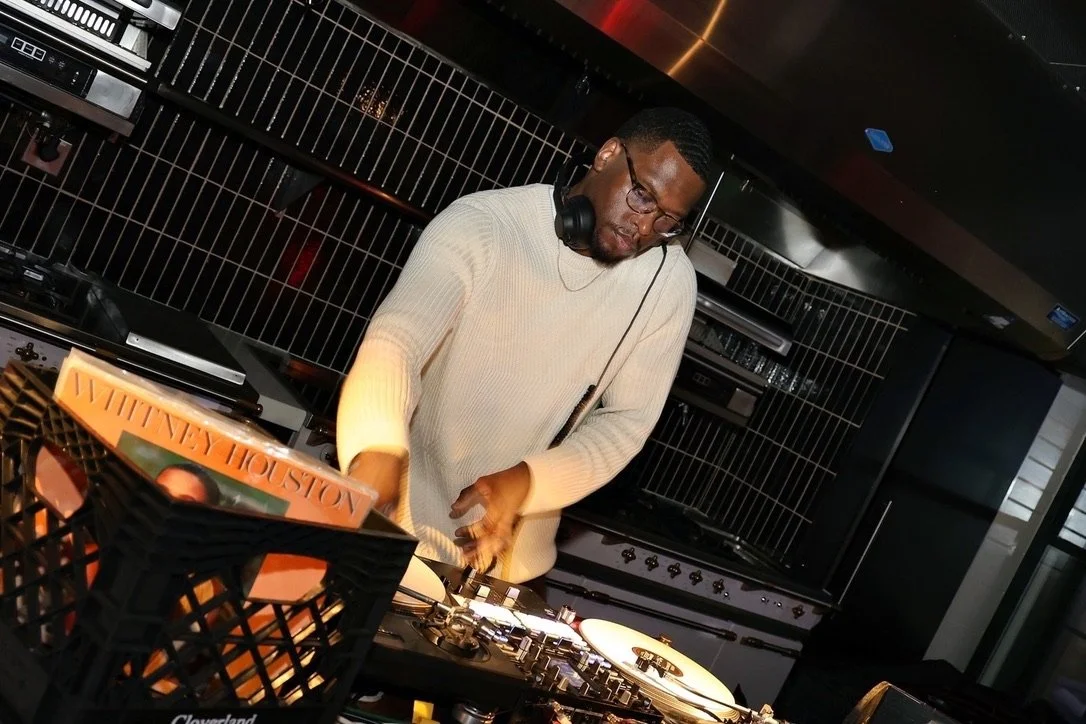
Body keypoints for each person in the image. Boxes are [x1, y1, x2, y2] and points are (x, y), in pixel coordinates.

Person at [336, 107, 712, 584]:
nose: (642, 228)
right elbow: (398, 339)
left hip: (506, 570)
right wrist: (377, 446)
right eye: (641, 197)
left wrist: (529, 481)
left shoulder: (667, 283)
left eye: (667, 221)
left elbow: (626, 423)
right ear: (607, 154)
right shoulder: (484, 223)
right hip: (395, 531)